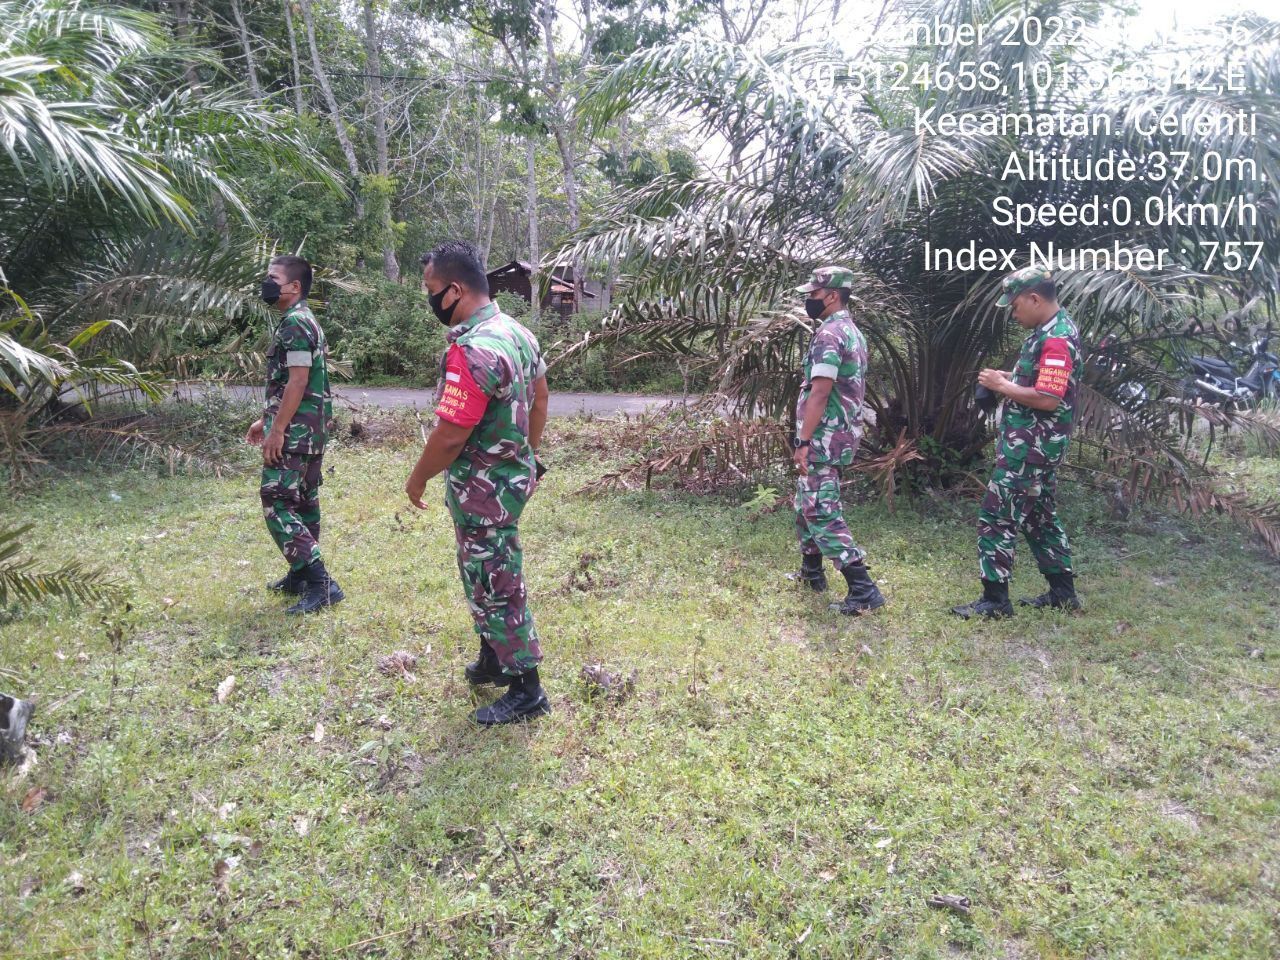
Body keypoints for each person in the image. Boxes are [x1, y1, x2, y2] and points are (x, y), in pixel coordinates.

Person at [405, 241, 551, 726]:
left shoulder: (472, 351)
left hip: (483, 489)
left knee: (497, 580)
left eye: (430, 290)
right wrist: (524, 452)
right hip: (508, 479)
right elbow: (541, 398)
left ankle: (526, 688)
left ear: (455, 289)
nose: (429, 300)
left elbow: (450, 435)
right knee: (482, 571)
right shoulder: (518, 333)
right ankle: (493, 655)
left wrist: (418, 478)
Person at [952, 266, 1083, 619]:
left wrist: (1001, 387)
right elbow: (1046, 380)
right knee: (1039, 517)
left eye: (1015, 305)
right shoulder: (1048, 331)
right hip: (1037, 447)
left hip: (1030, 448)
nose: (1013, 312)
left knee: (996, 515)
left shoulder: (1055, 338)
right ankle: (1063, 593)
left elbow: (1049, 398)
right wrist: (1007, 378)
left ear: (1035, 298)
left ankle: (995, 601)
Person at [246, 255, 342, 615]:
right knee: (303, 500)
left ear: (295, 286)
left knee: (276, 500)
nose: (267, 284)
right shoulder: (300, 321)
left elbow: (299, 380)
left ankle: (320, 582)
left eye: (273, 278)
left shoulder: (295, 324)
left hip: (297, 432)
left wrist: (278, 430)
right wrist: (265, 420)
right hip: (309, 427)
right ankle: (300, 575)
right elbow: (291, 380)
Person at [791, 266, 886, 616]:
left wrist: (803, 439)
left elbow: (820, 392)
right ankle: (812, 574)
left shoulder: (830, 335)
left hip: (823, 436)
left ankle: (863, 589)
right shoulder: (852, 332)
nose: (808, 301)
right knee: (806, 503)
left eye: (813, 295)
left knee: (820, 508)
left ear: (831, 295)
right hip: (838, 434)